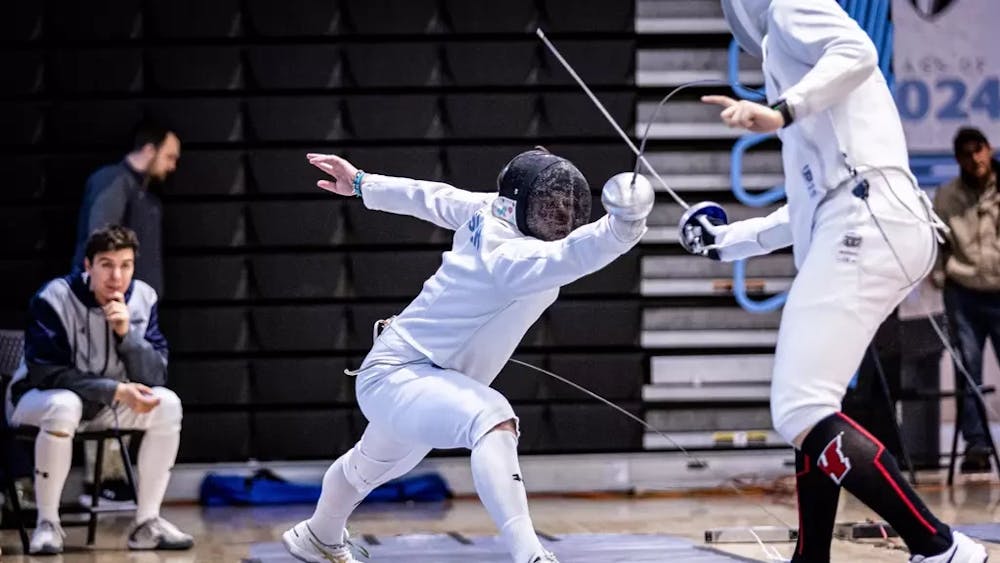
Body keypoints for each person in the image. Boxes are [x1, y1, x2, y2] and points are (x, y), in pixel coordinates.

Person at [680, 1, 987, 561]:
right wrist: (727, 243)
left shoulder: (794, 7)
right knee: (813, 401)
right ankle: (812, 556)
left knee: (799, 408)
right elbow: (803, 211)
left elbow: (860, 53)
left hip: (864, 219)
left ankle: (938, 546)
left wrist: (782, 111)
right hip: (870, 221)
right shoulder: (785, 55)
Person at [280, 149, 653, 563]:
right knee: (491, 418)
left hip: (422, 378)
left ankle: (317, 536)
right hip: (401, 373)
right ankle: (530, 556)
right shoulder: (509, 256)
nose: (562, 213)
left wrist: (364, 183)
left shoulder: (488, 209)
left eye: (567, 203)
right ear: (519, 205)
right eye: (550, 204)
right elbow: (569, 256)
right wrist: (622, 226)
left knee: (369, 468)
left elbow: (431, 196)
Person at [4, 226, 193, 555]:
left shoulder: (144, 297)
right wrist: (116, 390)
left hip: (104, 405)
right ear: (88, 266)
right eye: (106, 264)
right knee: (65, 405)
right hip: (35, 401)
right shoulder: (54, 298)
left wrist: (126, 335)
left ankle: (146, 523)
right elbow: (47, 374)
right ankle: (47, 525)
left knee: (167, 404)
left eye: (126, 265)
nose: (116, 276)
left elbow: (155, 375)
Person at [69, 121, 181, 506]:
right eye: (168, 156)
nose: (172, 166)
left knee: (140, 387)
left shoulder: (140, 190)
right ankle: (101, 483)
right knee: (105, 386)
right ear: (148, 150)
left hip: (134, 308)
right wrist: (105, 298)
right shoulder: (114, 181)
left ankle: (112, 482)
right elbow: (101, 238)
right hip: (107, 307)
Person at [932, 127, 1000, 473]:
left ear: (989, 150)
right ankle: (976, 446)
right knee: (967, 369)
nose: (975, 159)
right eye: (967, 153)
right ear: (958, 158)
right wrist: (941, 277)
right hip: (964, 293)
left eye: (980, 150)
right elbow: (937, 243)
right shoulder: (946, 196)